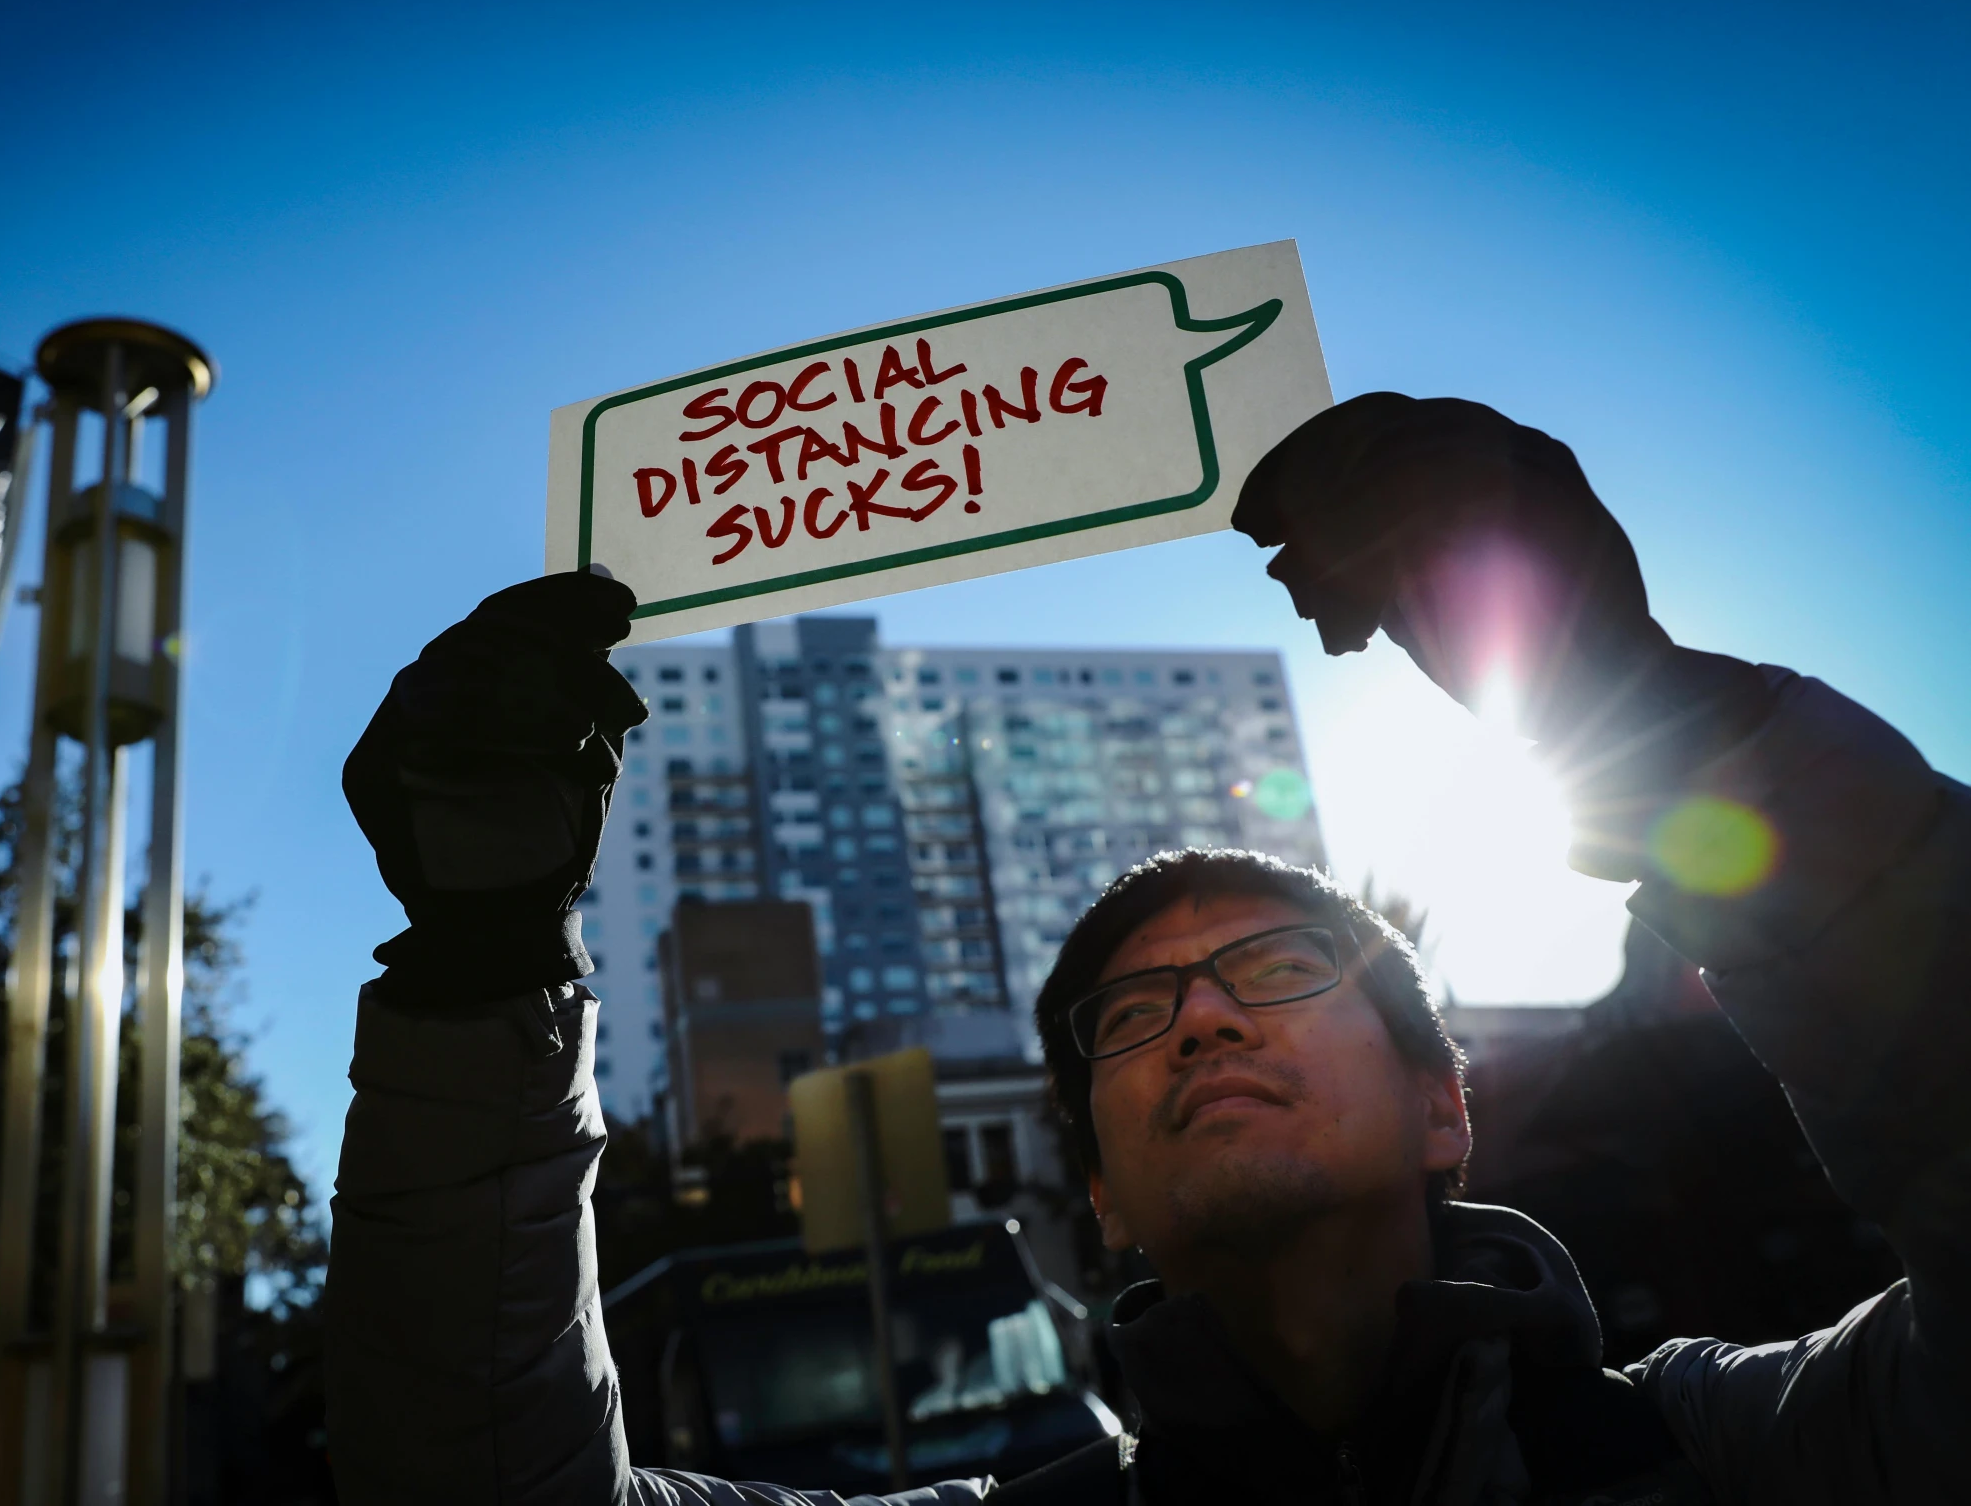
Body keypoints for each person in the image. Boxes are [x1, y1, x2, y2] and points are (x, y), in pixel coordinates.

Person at [323, 395, 1969, 1504]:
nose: (1195, 1020)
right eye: (1128, 1013)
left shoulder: (1764, 1453)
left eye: (1273, 970)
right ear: (1094, 1194)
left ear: (1441, 1108)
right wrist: (479, 982)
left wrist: (1665, 722)